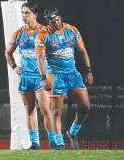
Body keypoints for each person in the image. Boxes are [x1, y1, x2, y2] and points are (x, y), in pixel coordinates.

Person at [35, 8, 93, 150]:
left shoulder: (72, 30)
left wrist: (88, 71)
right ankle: (59, 144)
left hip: (73, 74)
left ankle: (72, 133)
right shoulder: (42, 35)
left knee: (85, 107)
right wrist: (43, 77)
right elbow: (40, 58)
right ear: (48, 23)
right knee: (56, 112)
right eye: (52, 22)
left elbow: (82, 51)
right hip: (55, 76)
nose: (56, 23)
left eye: (57, 20)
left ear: (60, 18)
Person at [4, 2, 54, 149]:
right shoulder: (19, 33)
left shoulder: (44, 31)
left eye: (27, 13)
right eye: (23, 13)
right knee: (30, 110)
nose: (24, 16)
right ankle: (34, 144)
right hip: (26, 77)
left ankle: (54, 142)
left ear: (35, 15)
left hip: (41, 77)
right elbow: (8, 52)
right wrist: (14, 67)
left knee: (45, 109)